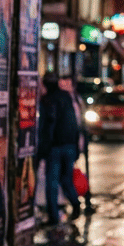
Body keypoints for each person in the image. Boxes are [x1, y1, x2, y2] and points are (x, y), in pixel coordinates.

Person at [38, 71, 82, 226]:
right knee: (66, 179)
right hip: (69, 145)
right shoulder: (66, 97)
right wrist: (76, 145)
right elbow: (74, 122)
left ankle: (53, 216)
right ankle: (75, 205)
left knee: (52, 182)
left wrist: (43, 149)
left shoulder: (47, 100)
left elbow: (47, 127)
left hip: (54, 147)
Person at [60, 76, 95, 214]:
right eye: (62, 85)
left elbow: (80, 123)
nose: (64, 87)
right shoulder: (64, 100)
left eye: (67, 84)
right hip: (68, 143)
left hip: (73, 143)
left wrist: (81, 141)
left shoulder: (76, 101)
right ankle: (72, 201)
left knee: (68, 176)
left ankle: (76, 201)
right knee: (65, 176)